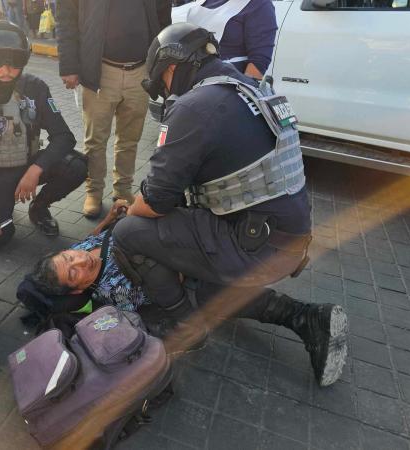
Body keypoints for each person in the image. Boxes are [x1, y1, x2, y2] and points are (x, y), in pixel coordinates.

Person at [109, 23, 348, 387]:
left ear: (171, 68)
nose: (165, 94)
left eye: (162, 85)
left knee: (129, 233)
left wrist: (126, 212)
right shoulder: (253, 87)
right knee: (200, 281)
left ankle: (185, 326)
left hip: (255, 241)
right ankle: (306, 318)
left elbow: (156, 200)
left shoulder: (195, 106)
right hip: (289, 238)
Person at [0, 20, 86, 245]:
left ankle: (39, 208)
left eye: (15, 62)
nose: (6, 69)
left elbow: (64, 137)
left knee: (77, 166)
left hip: (25, 165)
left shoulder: (35, 87)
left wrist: (35, 170)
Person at [56, 0, 172, 218]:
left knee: (130, 139)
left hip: (141, 71)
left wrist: (163, 65)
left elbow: (164, 18)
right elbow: (66, 19)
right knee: (95, 140)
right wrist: (69, 65)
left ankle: (122, 190)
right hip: (100, 70)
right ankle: (94, 192)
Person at [175, 0, 277, 79]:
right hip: (191, 83)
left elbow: (259, 62)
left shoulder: (259, 5)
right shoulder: (204, 2)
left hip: (225, 88)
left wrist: (240, 92)